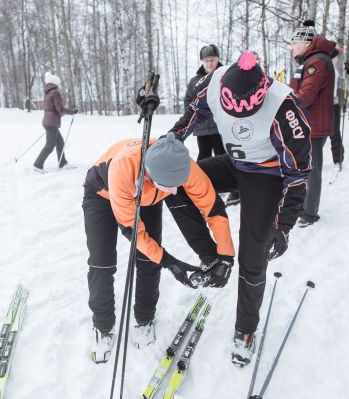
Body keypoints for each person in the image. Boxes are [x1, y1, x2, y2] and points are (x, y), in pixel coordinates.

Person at [159, 51, 312, 367]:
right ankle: (212, 256)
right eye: (234, 112)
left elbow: (298, 176)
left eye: (247, 113)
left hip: (267, 176)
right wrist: (172, 139)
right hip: (235, 163)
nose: (240, 118)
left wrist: (283, 227)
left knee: (253, 255)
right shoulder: (214, 80)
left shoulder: (284, 107)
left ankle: (245, 330)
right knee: (182, 182)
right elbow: (195, 111)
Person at [83, 133, 235, 363]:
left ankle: (144, 319)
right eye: (169, 187)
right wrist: (173, 265)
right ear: (151, 175)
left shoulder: (184, 166)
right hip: (102, 193)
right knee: (102, 263)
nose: (174, 192)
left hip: (147, 196)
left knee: (148, 262)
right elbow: (134, 233)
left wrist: (225, 256)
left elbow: (212, 207)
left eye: (177, 185)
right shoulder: (123, 170)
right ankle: (102, 326)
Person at [289, 20, 336, 227]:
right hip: (309, 124)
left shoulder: (316, 62)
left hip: (314, 126)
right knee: (306, 168)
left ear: (306, 43)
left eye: (294, 43)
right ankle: (304, 206)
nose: (291, 47)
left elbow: (305, 96)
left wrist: (284, 101)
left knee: (312, 170)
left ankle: (309, 213)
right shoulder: (309, 61)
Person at [184, 44, 225, 160]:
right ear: (202, 61)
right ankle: (202, 178)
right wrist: (192, 116)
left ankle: (225, 178)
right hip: (201, 125)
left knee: (221, 154)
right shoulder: (195, 81)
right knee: (204, 154)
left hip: (220, 126)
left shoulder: (225, 76)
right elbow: (188, 100)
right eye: (206, 60)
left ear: (217, 60)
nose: (210, 63)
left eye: (212, 59)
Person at [33, 72, 77, 172]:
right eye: (58, 83)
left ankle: (63, 163)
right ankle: (38, 164)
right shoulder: (55, 93)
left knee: (60, 143)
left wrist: (62, 113)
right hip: (51, 123)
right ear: (55, 83)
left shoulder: (47, 93)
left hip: (48, 122)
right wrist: (72, 111)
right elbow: (59, 109)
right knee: (50, 145)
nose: (59, 85)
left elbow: (53, 109)